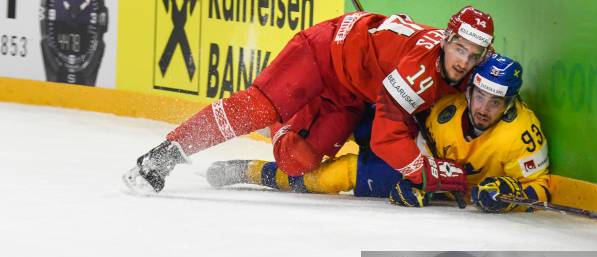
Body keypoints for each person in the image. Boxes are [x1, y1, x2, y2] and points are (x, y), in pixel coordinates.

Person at [123, 7, 495, 193]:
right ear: (446, 40)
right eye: (459, 48)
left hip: (351, 91)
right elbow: (385, 138)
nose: (464, 61)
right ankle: (167, 152)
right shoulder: (420, 70)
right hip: (323, 53)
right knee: (258, 107)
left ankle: (293, 114)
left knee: (295, 161)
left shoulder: (470, 71)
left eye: (474, 54)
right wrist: (432, 174)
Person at [206, 54, 550, 213]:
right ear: (469, 89)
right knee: (353, 102)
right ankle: (292, 123)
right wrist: (420, 182)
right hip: (408, 145)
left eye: (495, 101)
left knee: (332, 178)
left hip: (418, 172)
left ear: (510, 102)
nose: (482, 108)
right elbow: (412, 132)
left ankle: (251, 171)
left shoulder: (521, 134)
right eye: (479, 95)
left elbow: (542, 190)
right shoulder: (450, 105)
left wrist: (510, 196)